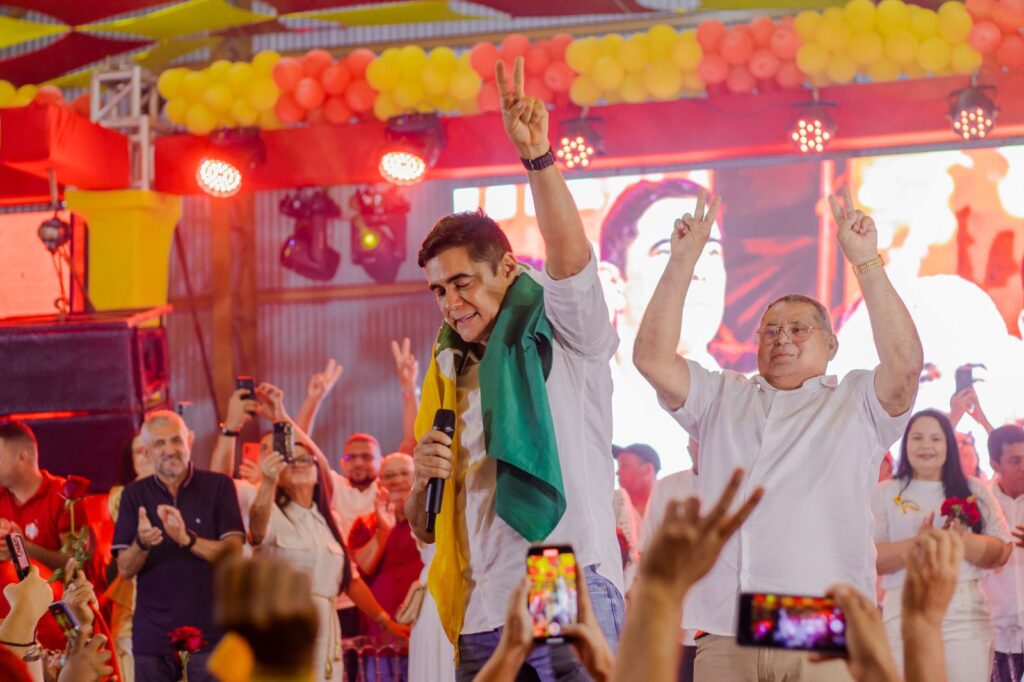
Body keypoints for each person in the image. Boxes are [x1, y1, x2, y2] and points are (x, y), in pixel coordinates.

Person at [633, 185, 924, 681]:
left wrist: (866, 263)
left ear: (831, 344)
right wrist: (681, 261)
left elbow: (904, 365)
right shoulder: (724, 396)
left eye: (798, 329)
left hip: (818, 620)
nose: (782, 338)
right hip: (728, 626)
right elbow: (652, 359)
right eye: (770, 330)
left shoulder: (854, 401)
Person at [406, 58, 623, 681]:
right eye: (439, 291)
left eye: (463, 283)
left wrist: (538, 160)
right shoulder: (448, 372)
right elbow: (427, 529)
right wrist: (422, 480)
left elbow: (571, 261)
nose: (451, 304)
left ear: (505, 268)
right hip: (480, 602)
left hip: (557, 570)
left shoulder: (561, 333)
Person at [250, 434, 409, 682]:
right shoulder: (273, 514)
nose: (299, 465)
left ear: (318, 473)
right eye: (291, 461)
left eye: (306, 460)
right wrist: (267, 483)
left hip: (327, 625)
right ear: (279, 473)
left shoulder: (329, 520)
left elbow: (350, 579)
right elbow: (257, 530)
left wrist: (387, 623)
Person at [872, 409, 1012, 678]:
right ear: (905, 443)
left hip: (964, 611)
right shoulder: (885, 493)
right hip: (904, 606)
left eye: (936, 439)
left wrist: (959, 538)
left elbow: (1001, 551)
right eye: (918, 438)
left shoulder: (974, 490)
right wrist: (919, 544)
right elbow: (872, 558)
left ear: (949, 444)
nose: (926, 446)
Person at [599, 178, 727, 468]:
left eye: (712, 251)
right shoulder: (582, 405)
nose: (697, 270)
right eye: (669, 251)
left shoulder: (746, 400)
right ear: (614, 283)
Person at [112, 410, 245, 682]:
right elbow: (125, 569)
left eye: (176, 440)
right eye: (159, 444)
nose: (170, 450)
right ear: (146, 452)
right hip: (153, 638)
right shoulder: (133, 494)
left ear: (190, 441)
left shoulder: (218, 486)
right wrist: (142, 542)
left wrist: (188, 540)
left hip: (213, 634)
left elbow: (234, 553)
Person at [0, 421, 89, 650]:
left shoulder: (63, 496)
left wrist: (21, 547)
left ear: (22, 456)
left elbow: (76, 565)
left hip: (56, 617)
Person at [639, 438, 699, 682]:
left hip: (726, 631)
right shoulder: (668, 487)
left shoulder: (743, 484)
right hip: (677, 628)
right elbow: (648, 553)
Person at [105, 432, 154, 682]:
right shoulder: (121, 494)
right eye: (139, 451)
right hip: (134, 598)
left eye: (151, 448)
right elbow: (119, 512)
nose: (146, 455)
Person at [981, 424, 1024, 682]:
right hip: (995, 633)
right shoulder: (979, 504)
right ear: (995, 464)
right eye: (1015, 461)